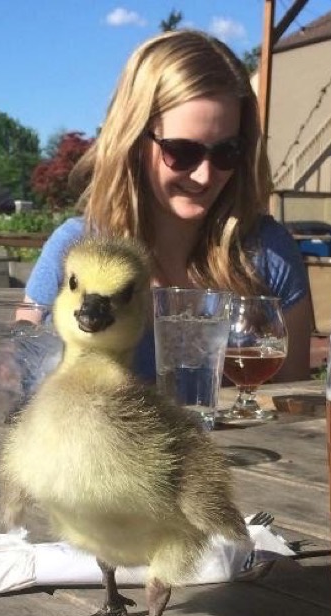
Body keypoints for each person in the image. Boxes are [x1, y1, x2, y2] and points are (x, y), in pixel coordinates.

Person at [26, 30, 311, 382]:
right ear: (133, 141)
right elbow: (13, 389)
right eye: (182, 151)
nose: (206, 176)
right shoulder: (75, 253)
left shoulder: (269, 253)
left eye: (227, 152)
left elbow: (291, 415)